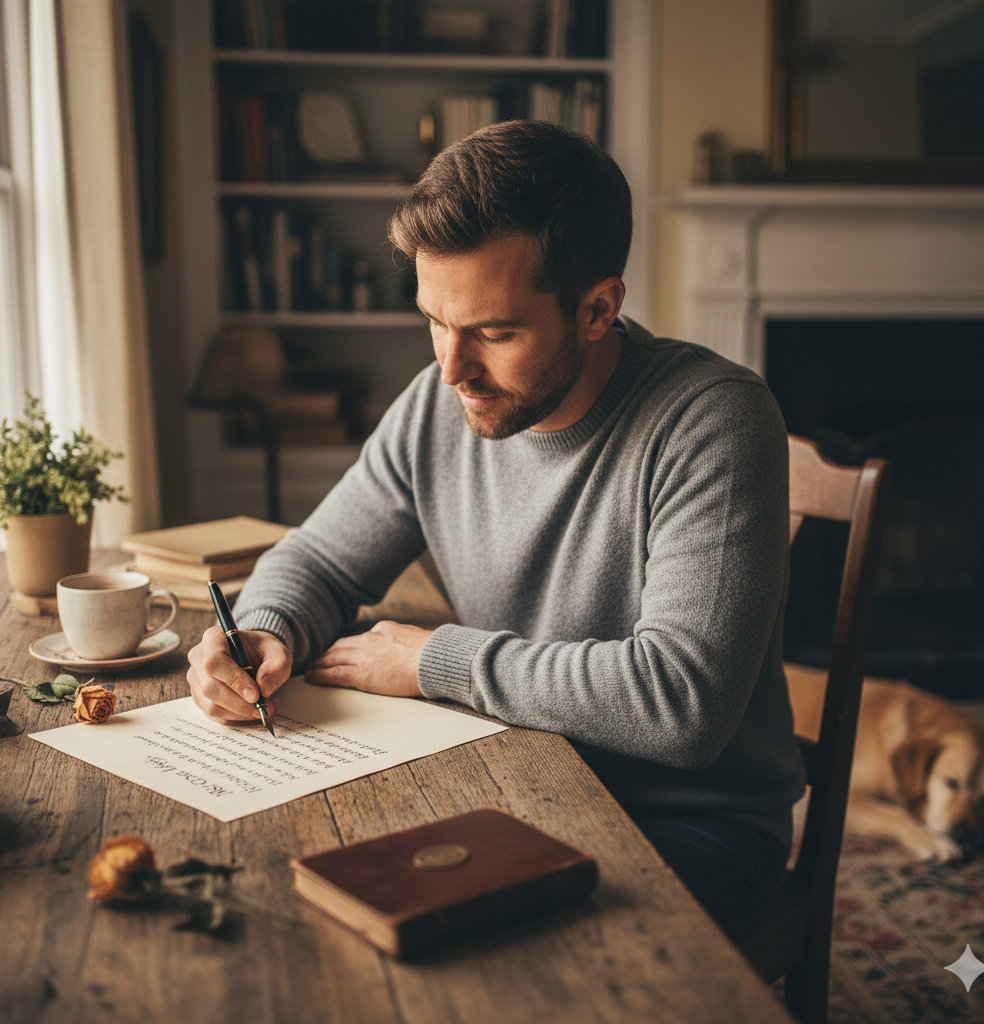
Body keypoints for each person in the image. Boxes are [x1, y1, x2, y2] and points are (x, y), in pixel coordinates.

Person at [187, 120, 806, 941]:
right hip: (510, 772)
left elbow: (680, 701)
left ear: (598, 308)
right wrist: (264, 630)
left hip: (686, 818)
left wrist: (432, 660)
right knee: (289, 896)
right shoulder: (436, 403)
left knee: (482, 959)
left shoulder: (713, 421)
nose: (452, 369)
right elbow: (323, 558)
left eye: (494, 332)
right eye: (435, 321)